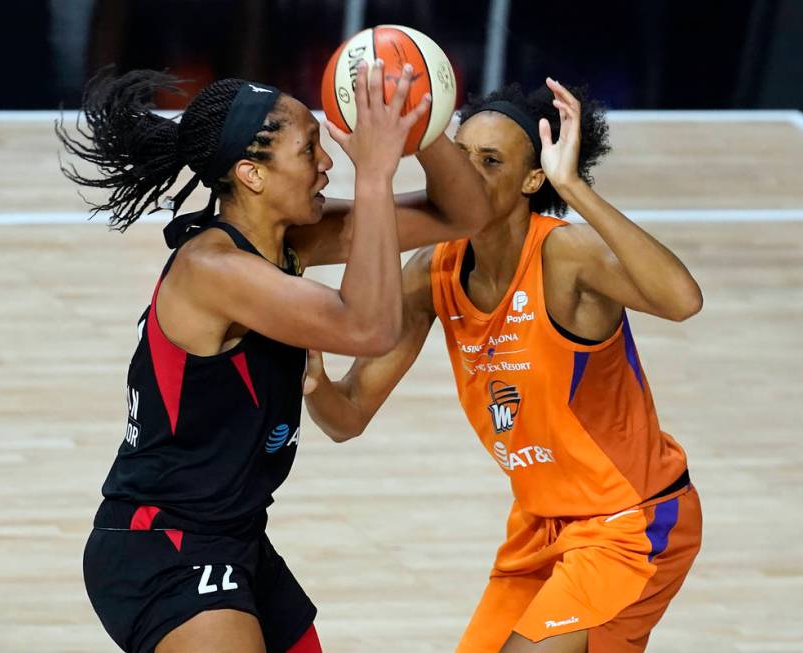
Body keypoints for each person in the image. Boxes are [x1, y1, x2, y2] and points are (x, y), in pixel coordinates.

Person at [57, 59, 491, 653]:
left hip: (235, 538)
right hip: (163, 544)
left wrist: (422, 120)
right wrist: (374, 174)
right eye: (309, 148)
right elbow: (368, 329)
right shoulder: (213, 270)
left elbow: (465, 214)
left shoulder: (290, 242)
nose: (327, 163)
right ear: (252, 174)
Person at [303, 78, 704, 653]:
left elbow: (683, 300)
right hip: (539, 527)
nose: (467, 173)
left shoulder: (565, 256)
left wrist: (576, 188)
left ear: (532, 179)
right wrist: (313, 379)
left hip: (630, 521)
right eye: (460, 155)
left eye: (491, 161)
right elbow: (347, 417)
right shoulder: (433, 270)